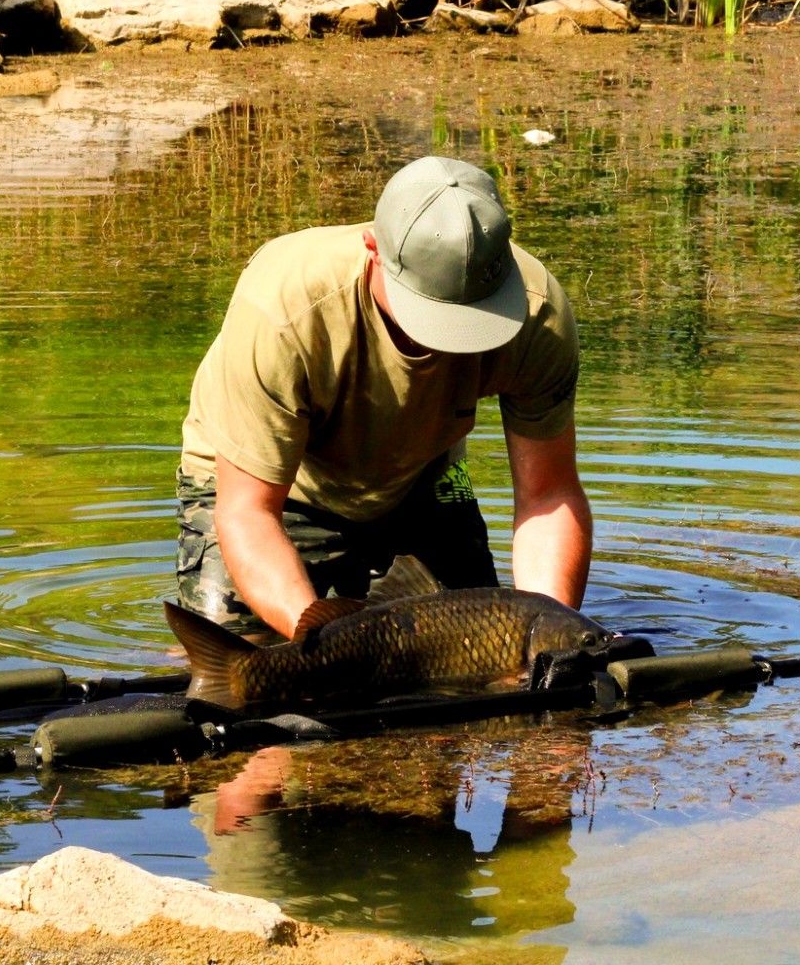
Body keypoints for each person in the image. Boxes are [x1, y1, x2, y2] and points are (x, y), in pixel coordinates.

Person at [175, 155, 590, 639]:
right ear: (372, 249)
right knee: (245, 662)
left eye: (473, 318)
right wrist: (331, 647)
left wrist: (546, 636)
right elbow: (248, 512)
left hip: (421, 477)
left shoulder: (537, 315)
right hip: (279, 489)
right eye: (432, 312)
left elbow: (548, 495)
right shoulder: (283, 309)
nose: (447, 341)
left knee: (478, 651)